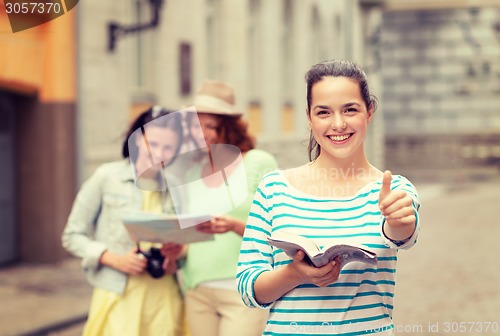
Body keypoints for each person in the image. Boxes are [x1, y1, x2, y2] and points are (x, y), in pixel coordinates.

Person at [237, 60, 420, 335]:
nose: (338, 124)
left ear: (369, 112)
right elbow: (248, 288)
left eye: (350, 110)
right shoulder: (273, 188)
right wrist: (294, 274)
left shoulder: (394, 190)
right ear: (309, 118)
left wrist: (399, 220)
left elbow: (402, 234)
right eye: (324, 112)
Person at [62, 106, 188, 336]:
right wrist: (112, 259)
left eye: (168, 148)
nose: (159, 153)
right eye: (154, 144)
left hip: (164, 300)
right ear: (137, 139)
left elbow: (183, 247)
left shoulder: (176, 187)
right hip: (118, 295)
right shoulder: (106, 177)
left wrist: (174, 258)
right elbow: (71, 235)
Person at [179, 80, 278, 336]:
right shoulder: (190, 172)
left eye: (211, 126)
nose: (202, 133)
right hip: (197, 288)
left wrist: (234, 226)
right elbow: (190, 235)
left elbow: (280, 230)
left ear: (230, 128)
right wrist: (174, 249)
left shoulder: (258, 162)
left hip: (243, 289)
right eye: (196, 125)